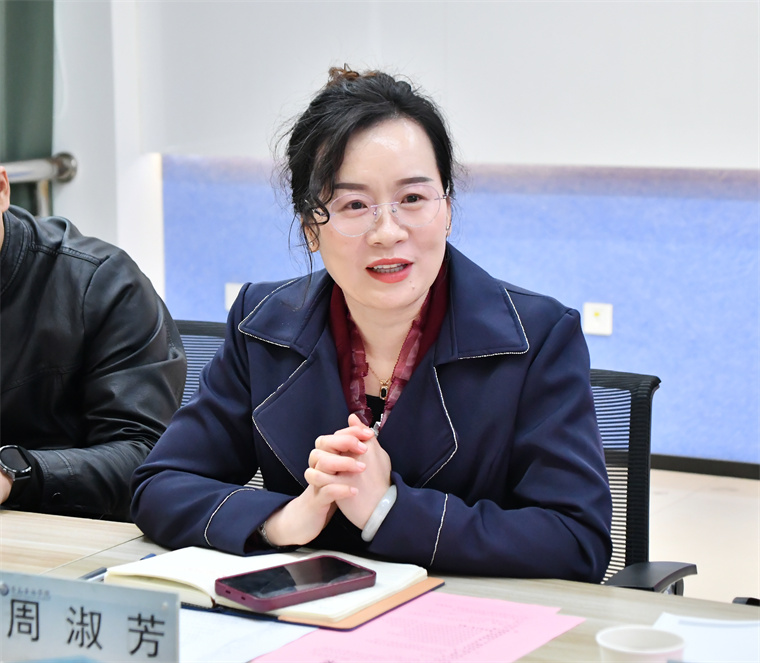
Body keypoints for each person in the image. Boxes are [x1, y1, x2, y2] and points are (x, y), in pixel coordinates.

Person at [131, 67, 612, 580]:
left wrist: (389, 511)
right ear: (310, 228)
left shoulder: (537, 338)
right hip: (305, 613)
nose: (387, 232)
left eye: (413, 199)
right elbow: (160, 486)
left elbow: (575, 539)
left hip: (464, 616)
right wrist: (281, 520)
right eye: (354, 205)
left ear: (447, 209)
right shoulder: (261, 325)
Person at [0, 165, 186, 520]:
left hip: (73, 531)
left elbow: (145, 455)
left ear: (2, 189)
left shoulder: (104, 283)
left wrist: (14, 473)